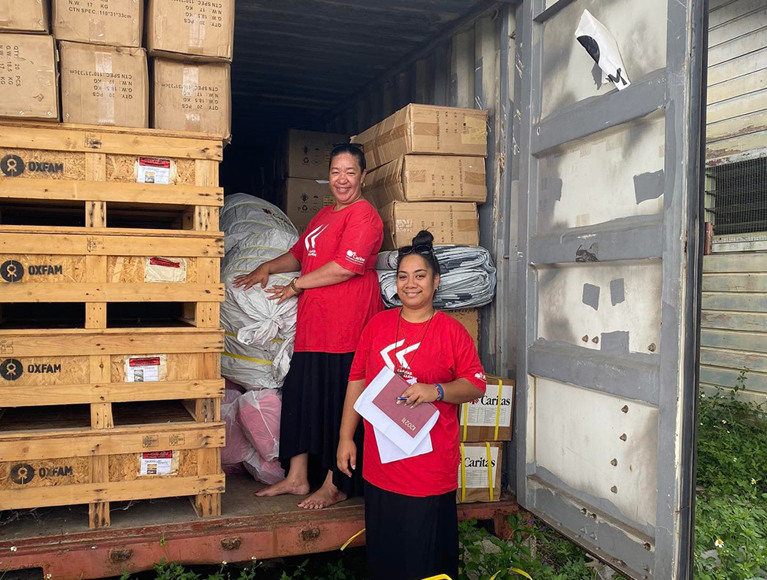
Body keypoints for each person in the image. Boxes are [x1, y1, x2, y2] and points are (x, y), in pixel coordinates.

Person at [233, 143, 383, 509]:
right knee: (301, 398)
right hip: (314, 327)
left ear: (363, 176)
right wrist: (268, 267)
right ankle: (297, 478)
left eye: (350, 172)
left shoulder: (364, 217)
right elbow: (300, 254)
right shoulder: (323, 216)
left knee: (337, 405)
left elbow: (345, 268)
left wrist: (297, 284)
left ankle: (335, 483)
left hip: (347, 327)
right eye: (335, 172)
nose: (342, 179)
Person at [337, 230, 486, 580]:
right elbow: (357, 380)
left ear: (436, 282)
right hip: (381, 467)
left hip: (429, 471)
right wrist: (346, 437)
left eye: (420, 276)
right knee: (386, 557)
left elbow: (476, 385)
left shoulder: (451, 332)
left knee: (426, 561)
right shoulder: (377, 326)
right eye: (403, 277)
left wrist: (436, 390)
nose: (410, 284)